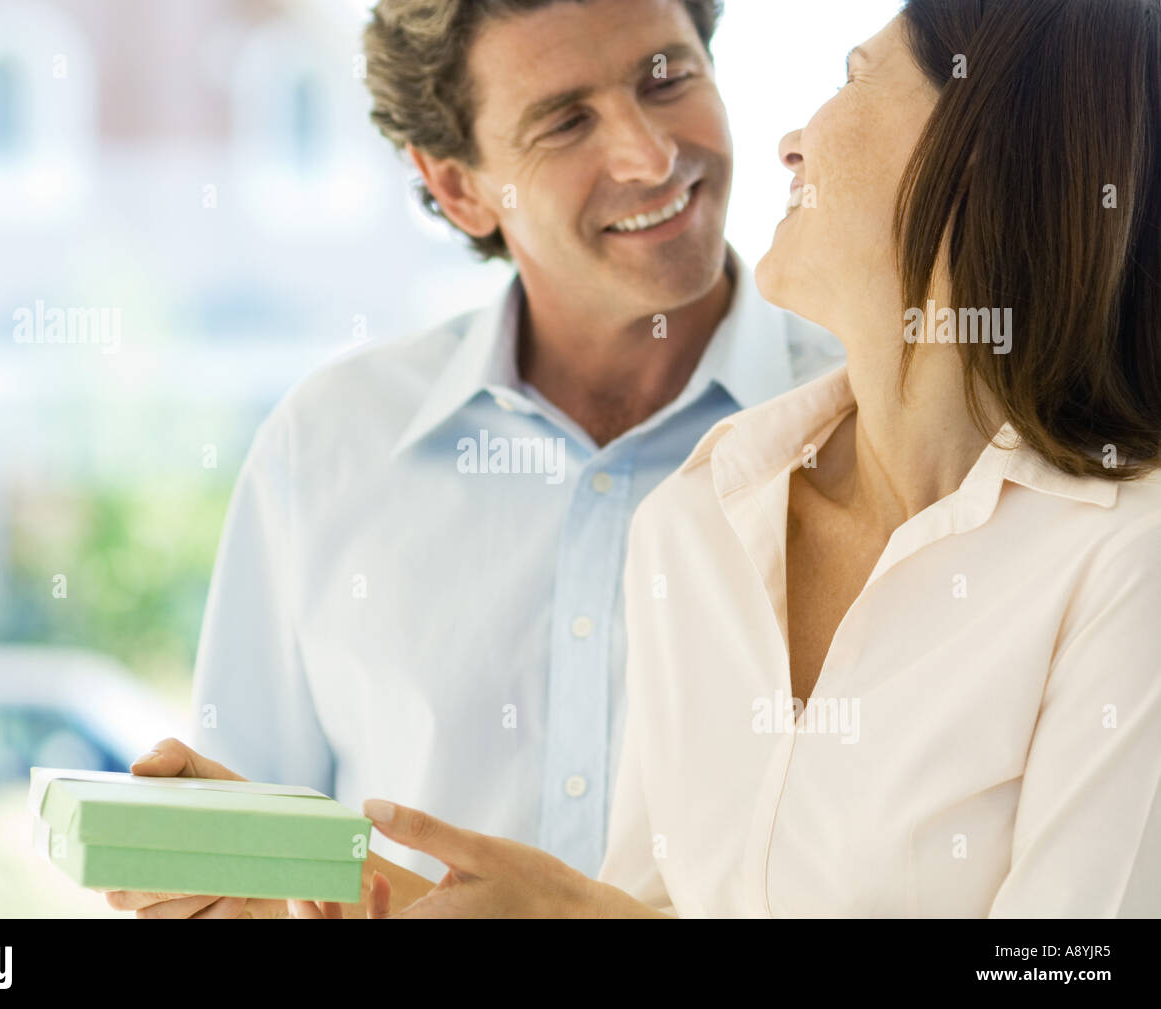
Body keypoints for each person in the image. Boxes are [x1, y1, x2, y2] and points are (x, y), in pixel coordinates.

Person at [340, 0, 1161, 918]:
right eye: (565, 119)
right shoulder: (699, 519)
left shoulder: (1128, 556)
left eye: (853, 77)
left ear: (983, 156)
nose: (790, 140)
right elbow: (644, 907)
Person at [105, 0, 841, 918]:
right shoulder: (328, 446)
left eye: (666, 77)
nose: (650, 156)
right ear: (457, 186)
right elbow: (252, 866)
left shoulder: (876, 424)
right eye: (565, 121)